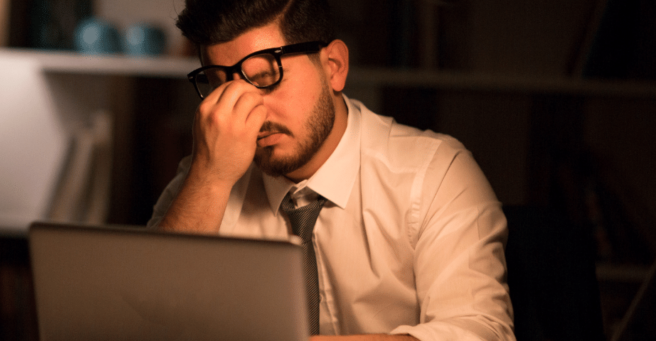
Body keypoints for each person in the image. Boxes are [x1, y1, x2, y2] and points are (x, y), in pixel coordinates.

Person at [146, 0, 515, 340]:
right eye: (223, 90)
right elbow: (143, 322)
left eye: (265, 79)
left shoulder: (436, 175)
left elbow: (480, 331)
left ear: (334, 67)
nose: (248, 114)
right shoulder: (208, 175)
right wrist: (209, 179)